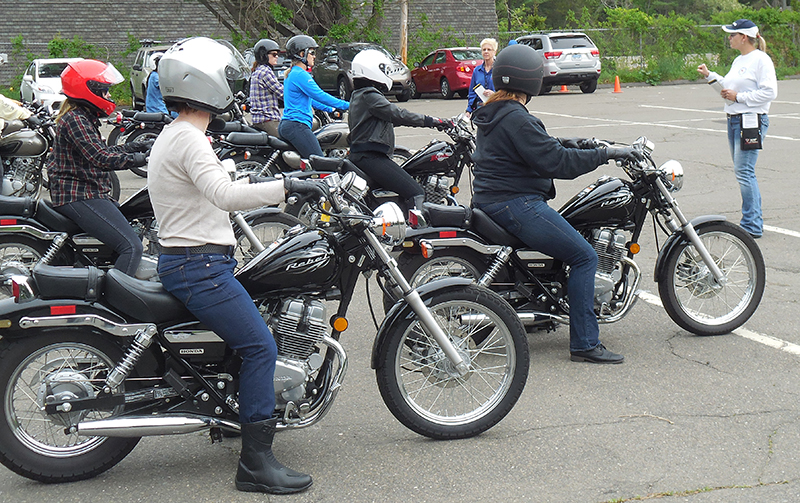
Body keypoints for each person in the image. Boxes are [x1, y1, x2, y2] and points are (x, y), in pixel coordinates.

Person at [149, 36, 323, 494]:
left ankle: (236, 416)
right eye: (226, 77)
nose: (233, 84)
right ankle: (255, 463)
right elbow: (223, 196)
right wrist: (286, 186)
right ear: (204, 84)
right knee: (262, 346)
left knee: (251, 335)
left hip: (193, 260)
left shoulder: (179, 134)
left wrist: (253, 177)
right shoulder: (188, 138)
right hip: (199, 266)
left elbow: (213, 184)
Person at [470, 44, 642, 364]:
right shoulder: (516, 117)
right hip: (516, 204)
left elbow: (543, 146)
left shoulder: (498, 111)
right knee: (584, 257)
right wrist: (606, 154)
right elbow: (557, 163)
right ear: (531, 80)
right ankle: (585, 343)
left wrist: (582, 143)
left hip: (494, 201)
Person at [46, 59, 148, 276]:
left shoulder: (83, 117)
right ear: (90, 90)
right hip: (78, 195)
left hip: (88, 192)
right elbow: (101, 158)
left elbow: (104, 151)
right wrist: (141, 159)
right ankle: (119, 303)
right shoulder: (76, 120)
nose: (109, 97)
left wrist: (139, 146)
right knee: (131, 247)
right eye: (106, 92)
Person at [697, 19, 777, 239]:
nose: (729, 38)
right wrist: (711, 77)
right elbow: (730, 90)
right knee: (744, 172)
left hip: (751, 121)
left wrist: (738, 97)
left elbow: (770, 92)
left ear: (744, 37)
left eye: (732, 35)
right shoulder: (739, 60)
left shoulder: (761, 60)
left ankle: (751, 224)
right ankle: (753, 221)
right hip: (735, 120)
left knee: (745, 172)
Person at [348, 49, 453, 211]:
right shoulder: (370, 95)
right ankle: (418, 232)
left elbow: (386, 121)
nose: (385, 73)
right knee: (416, 192)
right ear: (371, 69)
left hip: (363, 156)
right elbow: (399, 114)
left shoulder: (359, 94)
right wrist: (433, 121)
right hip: (371, 157)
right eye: (383, 69)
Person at [279, 34, 349, 158]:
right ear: (302, 54)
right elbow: (319, 95)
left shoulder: (293, 74)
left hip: (289, 125)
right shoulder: (300, 74)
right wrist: (347, 105)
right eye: (311, 52)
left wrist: (331, 109)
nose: (314, 56)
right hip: (297, 126)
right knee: (319, 161)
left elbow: (311, 100)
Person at [249, 39, 283, 137]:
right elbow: (283, 93)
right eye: (274, 54)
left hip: (259, 120)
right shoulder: (265, 72)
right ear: (263, 55)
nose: (277, 57)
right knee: (291, 142)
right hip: (268, 119)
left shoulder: (258, 70)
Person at [465, 38, 497, 118]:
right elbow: (472, 92)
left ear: (494, 52)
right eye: (484, 49)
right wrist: (469, 110)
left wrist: (494, 94)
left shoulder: (499, 69)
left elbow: (505, 91)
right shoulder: (477, 70)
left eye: (489, 49)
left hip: (495, 107)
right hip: (480, 108)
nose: (486, 51)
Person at [145, 52, 178, 118]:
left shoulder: (153, 75)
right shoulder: (155, 77)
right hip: (157, 109)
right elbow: (168, 86)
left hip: (156, 107)